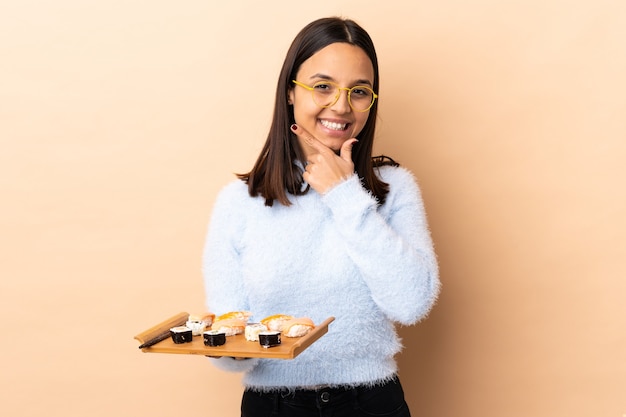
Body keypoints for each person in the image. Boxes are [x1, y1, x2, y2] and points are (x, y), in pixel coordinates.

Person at [202, 17, 440, 417]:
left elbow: (412, 303)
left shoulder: (394, 189)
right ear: (291, 92)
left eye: (359, 91)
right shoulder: (238, 203)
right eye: (323, 86)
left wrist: (345, 195)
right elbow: (232, 339)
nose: (342, 106)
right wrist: (230, 350)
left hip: (371, 404)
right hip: (273, 406)